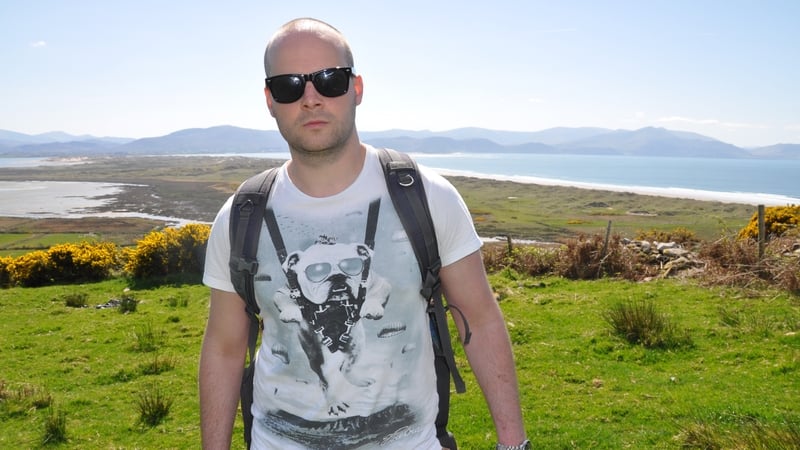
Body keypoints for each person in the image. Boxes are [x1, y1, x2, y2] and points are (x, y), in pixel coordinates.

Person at [199, 17, 528, 450]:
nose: (311, 98)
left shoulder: (428, 197)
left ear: (356, 88)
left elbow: (480, 320)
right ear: (269, 100)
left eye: (329, 80)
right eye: (289, 85)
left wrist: (513, 443)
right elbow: (224, 347)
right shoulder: (241, 215)